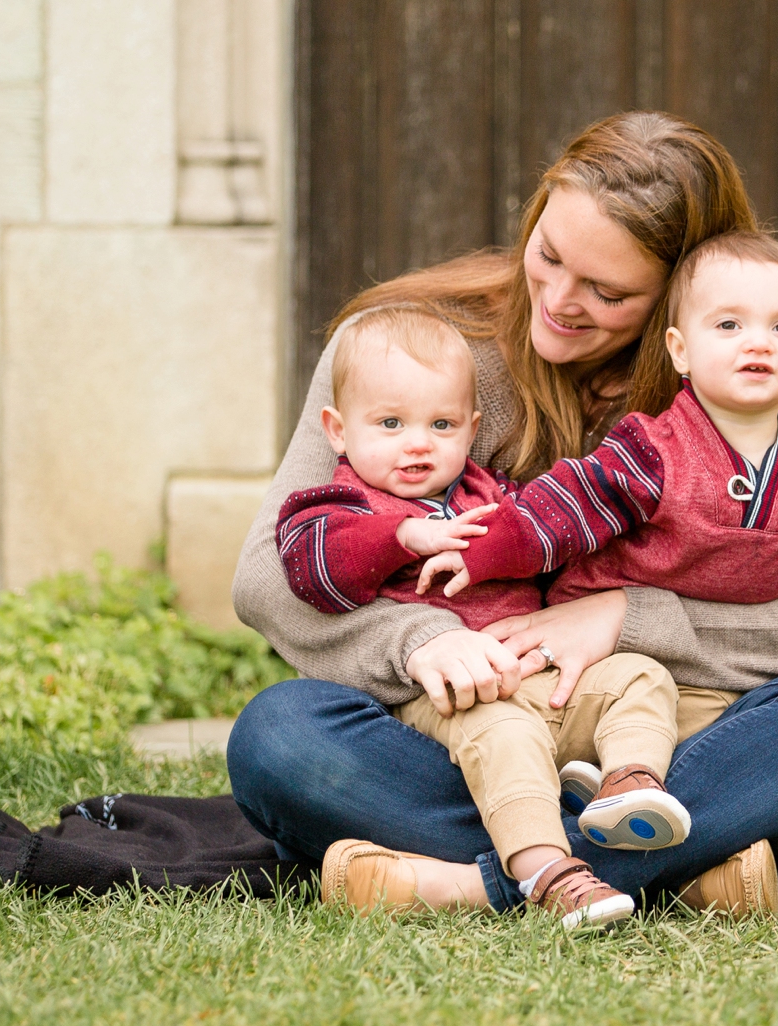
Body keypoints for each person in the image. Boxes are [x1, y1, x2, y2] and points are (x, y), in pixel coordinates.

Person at [226, 112, 778, 919]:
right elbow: (266, 579)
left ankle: (487, 881)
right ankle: (671, 866)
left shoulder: (734, 383)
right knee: (278, 734)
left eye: (607, 291)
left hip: (651, 740)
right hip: (457, 732)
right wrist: (424, 642)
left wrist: (627, 616)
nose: (558, 299)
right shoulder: (403, 353)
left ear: (680, 304)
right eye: (549, 255)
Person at [275, 305, 688, 928]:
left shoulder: (494, 496)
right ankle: (550, 872)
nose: (417, 442)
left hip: (539, 681)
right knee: (502, 733)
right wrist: (401, 536)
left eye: (440, 424)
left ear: (471, 430)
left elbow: (552, 538)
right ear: (338, 429)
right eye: (389, 423)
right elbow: (312, 566)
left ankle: (627, 788)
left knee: (638, 675)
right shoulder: (337, 505)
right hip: (450, 700)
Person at [420, 230, 778, 647]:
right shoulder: (653, 449)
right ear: (679, 350)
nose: (759, 343)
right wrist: (485, 549)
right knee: (634, 698)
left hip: (731, 661)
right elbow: (564, 506)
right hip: (612, 650)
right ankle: (620, 785)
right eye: (729, 325)